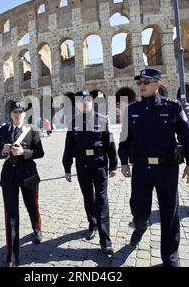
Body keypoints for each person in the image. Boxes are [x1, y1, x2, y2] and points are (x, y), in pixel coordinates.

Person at [118, 68, 189, 267]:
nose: (142, 85)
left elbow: (187, 137)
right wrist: (124, 161)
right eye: (139, 82)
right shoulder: (132, 109)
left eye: (147, 81)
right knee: (139, 209)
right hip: (142, 169)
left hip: (167, 168)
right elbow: (125, 139)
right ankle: (140, 225)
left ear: (158, 84)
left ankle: (170, 256)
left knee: (169, 213)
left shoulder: (173, 107)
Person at [62, 90, 118, 256]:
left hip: (99, 162)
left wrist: (114, 165)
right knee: (88, 197)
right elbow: (68, 147)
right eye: (81, 100)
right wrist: (67, 168)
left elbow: (110, 143)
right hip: (82, 164)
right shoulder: (73, 123)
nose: (84, 102)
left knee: (102, 200)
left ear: (91, 101)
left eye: (87, 99)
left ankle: (105, 240)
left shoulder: (102, 119)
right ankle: (92, 223)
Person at [0, 101, 44, 267]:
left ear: (25, 114)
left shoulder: (32, 129)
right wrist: (3, 151)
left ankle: (37, 229)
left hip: (28, 174)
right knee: (11, 215)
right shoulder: (3, 130)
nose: (18, 115)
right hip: (9, 176)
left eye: (21, 112)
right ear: (11, 114)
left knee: (32, 205)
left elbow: (40, 152)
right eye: (15, 112)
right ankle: (12, 256)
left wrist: (24, 152)